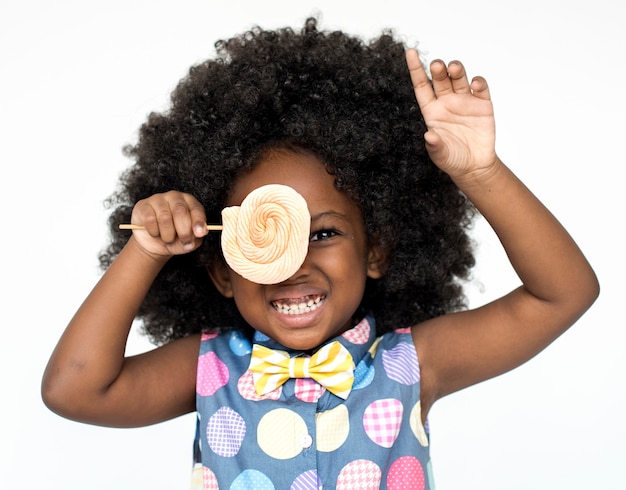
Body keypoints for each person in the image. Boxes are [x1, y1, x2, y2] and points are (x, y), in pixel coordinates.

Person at [41, 18, 599, 489]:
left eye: (323, 233)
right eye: (263, 235)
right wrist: (147, 250)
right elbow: (74, 390)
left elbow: (564, 294)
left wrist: (479, 173)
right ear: (221, 271)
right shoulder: (207, 368)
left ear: (376, 249)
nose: (293, 263)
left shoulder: (413, 364)